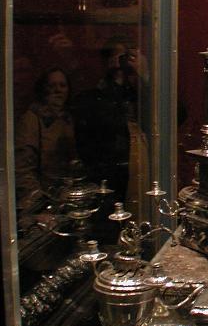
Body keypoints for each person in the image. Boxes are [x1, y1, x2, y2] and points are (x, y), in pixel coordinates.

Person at [74, 39, 150, 219]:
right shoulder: (93, 96)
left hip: (142, 172)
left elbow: (176, 114)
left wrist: (145, 76)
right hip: (107, 178)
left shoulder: (138, 92)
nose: (118, 60)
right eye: (112, 55)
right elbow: (102, 126)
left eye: (123, 56)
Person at [15, 66, 77, 213]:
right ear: (43, 89)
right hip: (43, 205)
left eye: (62, 85)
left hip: (65, 200)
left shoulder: (68, 119)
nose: (58, 90)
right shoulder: (31, 120)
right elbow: (22, 169)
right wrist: (39, 206)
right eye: (52, 85)